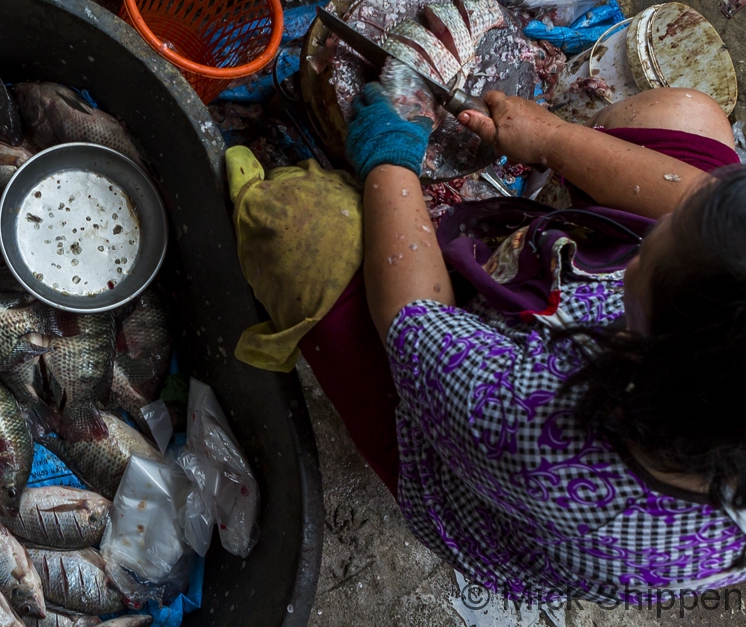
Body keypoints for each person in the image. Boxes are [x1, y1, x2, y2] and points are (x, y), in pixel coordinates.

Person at [299, 83, 746, 604]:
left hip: (461, 457)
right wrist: (552, 138)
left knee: (300, 220)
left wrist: (390, 158)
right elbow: (684, 192)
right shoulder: (718, 392)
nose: (665, 220)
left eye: (656, 248)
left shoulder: (536, 422)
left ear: (644, 346)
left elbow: (412, 315)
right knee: (688, 113)